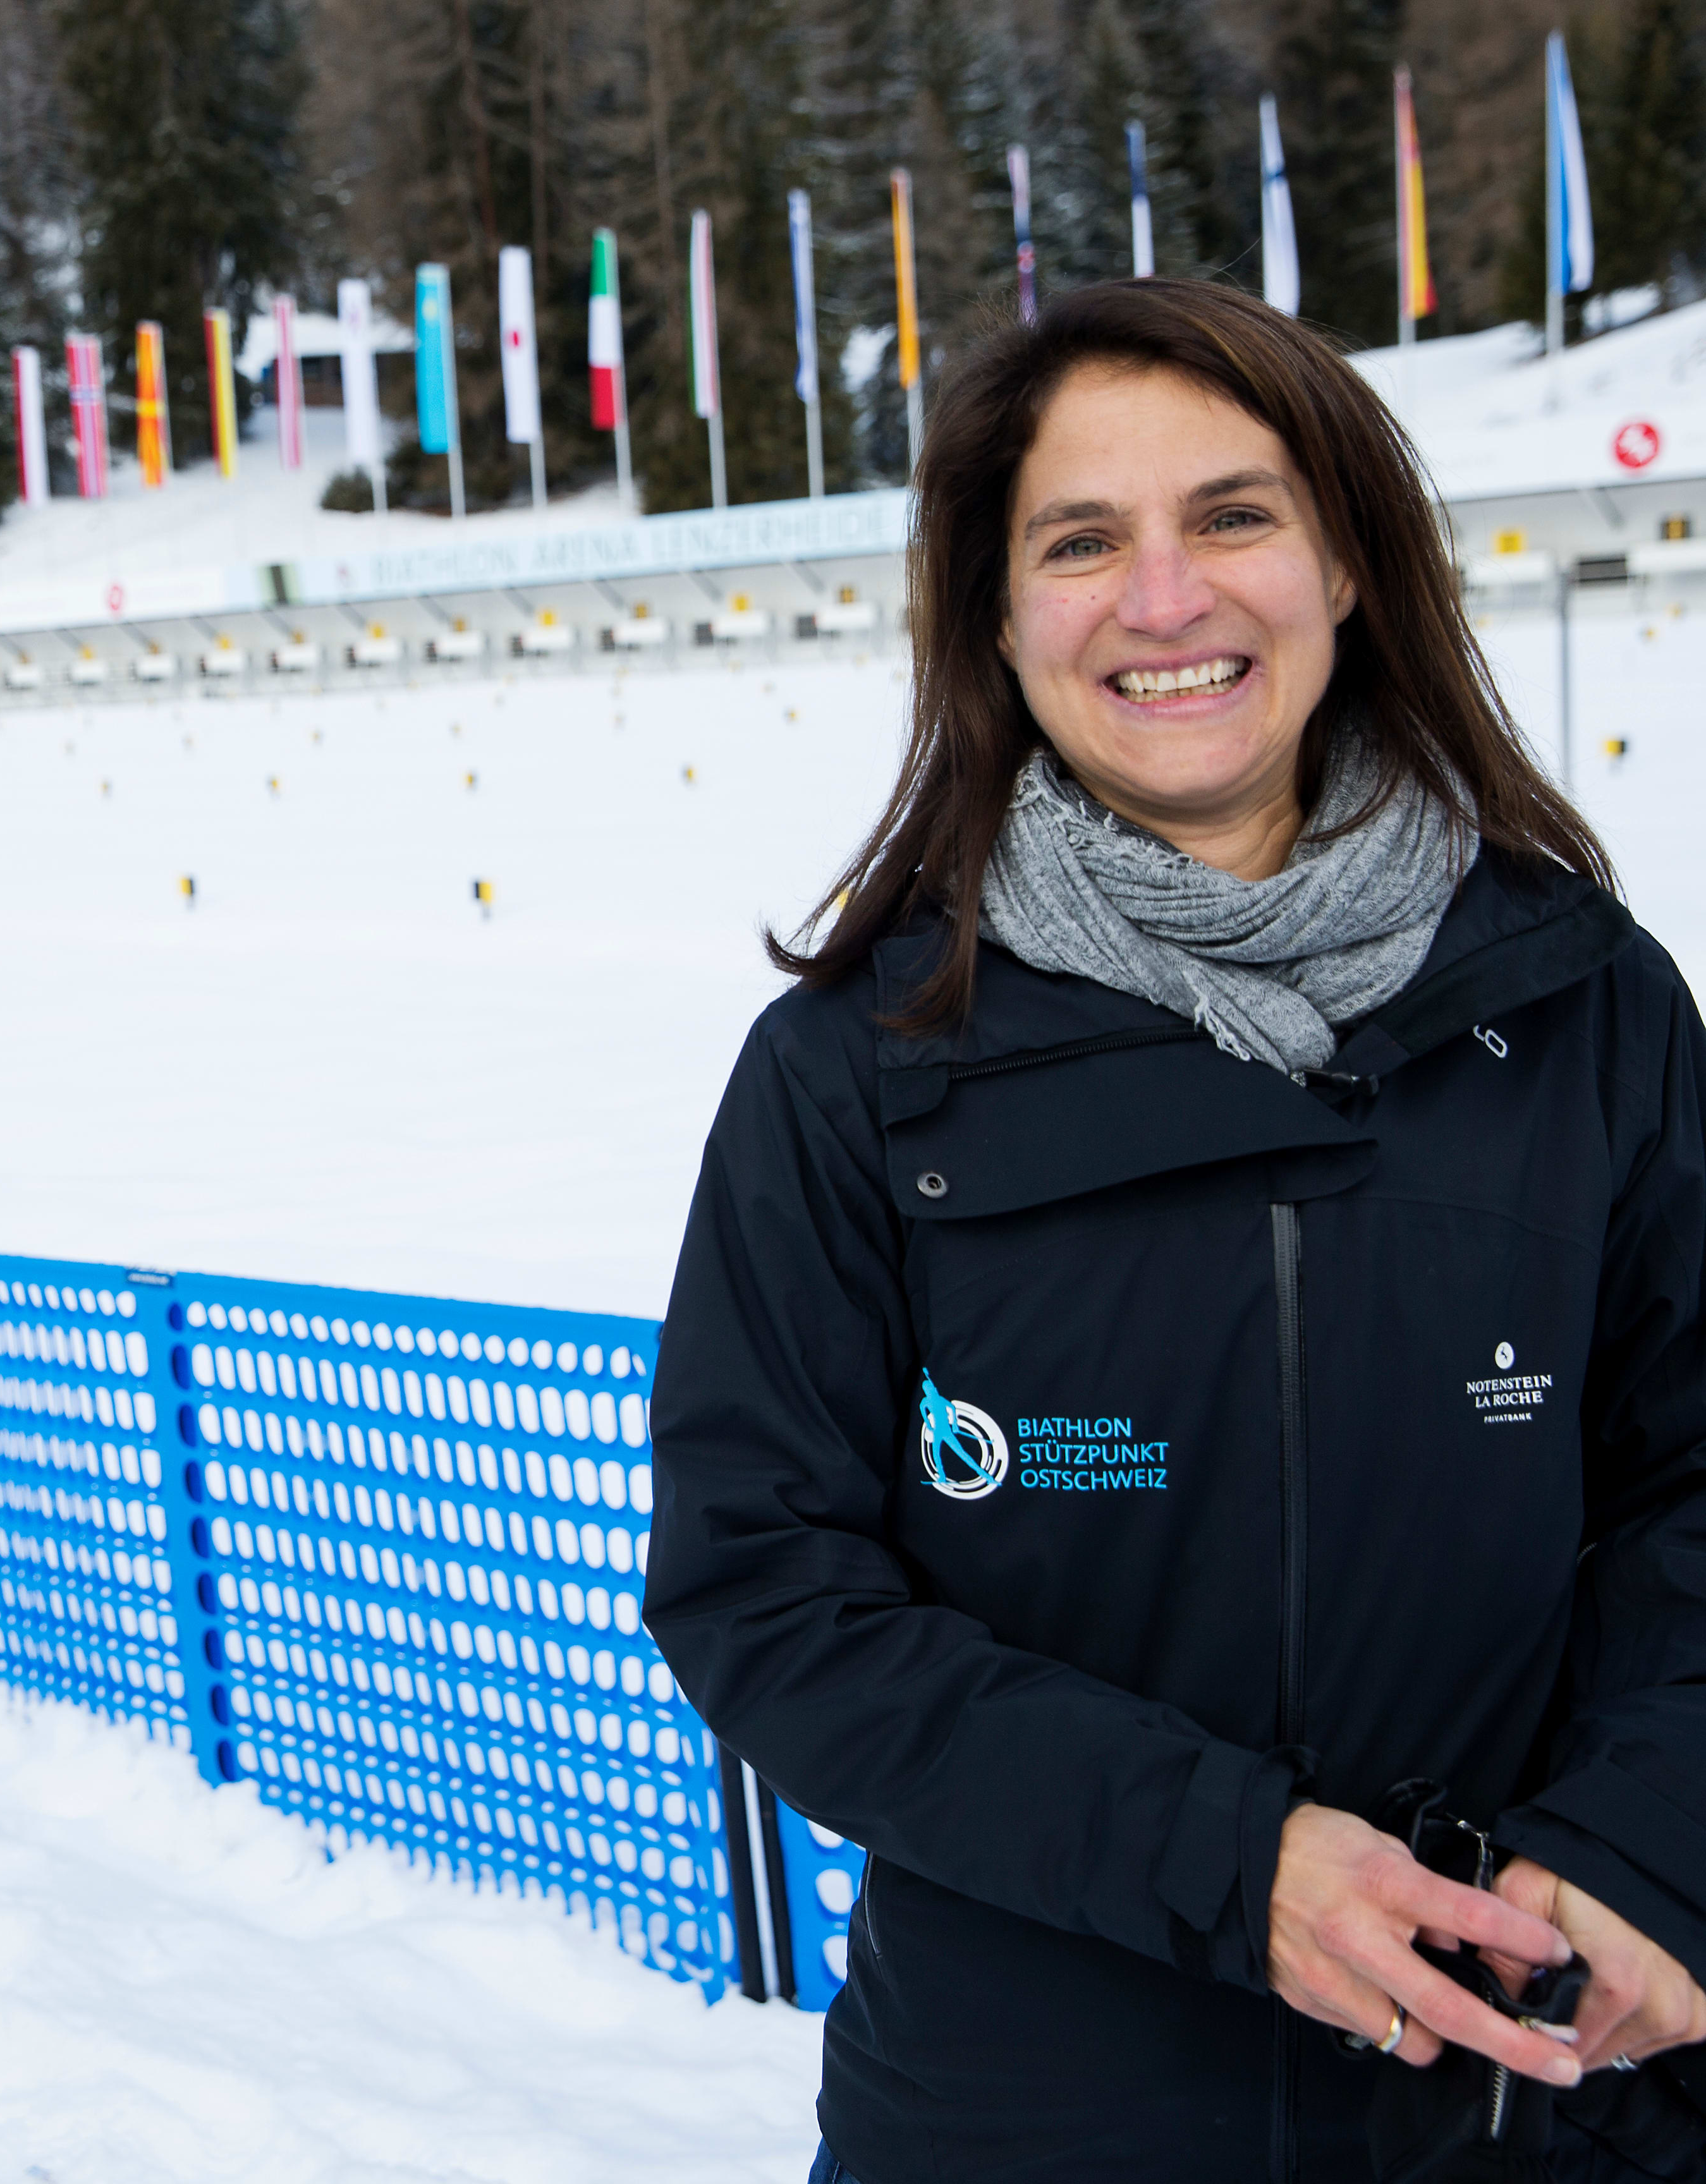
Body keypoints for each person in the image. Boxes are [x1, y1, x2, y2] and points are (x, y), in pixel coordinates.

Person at [646, 279, 1706, 2181]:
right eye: (1080, 542)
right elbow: (769, 1595)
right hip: (1017, 2125)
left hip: (1529, 2108)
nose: (1165, 597)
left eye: (1233, 515)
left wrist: (1651, 1841)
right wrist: (1233, 1863)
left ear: (1347, 563)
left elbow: (1693, 1487)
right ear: (994, 616)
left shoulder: (1591, 1010)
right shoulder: (857, 1072)